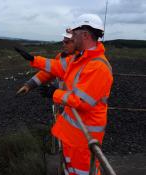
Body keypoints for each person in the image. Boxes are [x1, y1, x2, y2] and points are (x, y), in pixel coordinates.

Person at [15, 13, 113, 175]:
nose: (72, 38)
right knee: (69, 171)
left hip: (84, 138)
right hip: (72, 135)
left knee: (83, 172)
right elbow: (57, 66)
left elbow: (82, 102)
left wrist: (55, 93)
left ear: (85, 35)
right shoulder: (81, 59)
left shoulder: (98, 67)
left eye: (74, 34)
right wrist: (33, 59)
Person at [16, 32, 74, 96]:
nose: (63, 45)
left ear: (76, 42)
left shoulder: (81, 61)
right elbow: (49, 72)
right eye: (63, 42)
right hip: (61, 102)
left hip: (72, 103)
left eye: (67, 42)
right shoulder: (60, 57)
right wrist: (29, 85)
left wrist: (55, 91)